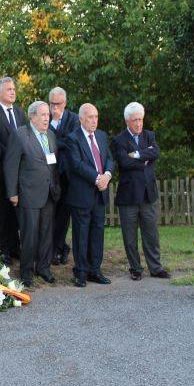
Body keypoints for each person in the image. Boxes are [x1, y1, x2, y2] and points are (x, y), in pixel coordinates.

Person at [3, 101, 61, 287]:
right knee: (29, 235)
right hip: (28, 194)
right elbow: (10, 165)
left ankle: (43, 268)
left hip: (49, 193)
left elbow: (52, 165)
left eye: (48, 115)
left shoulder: (51, 135)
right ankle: (26, 272)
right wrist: (12, 192)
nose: (47, 118)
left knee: (46, 234)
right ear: (32, 116)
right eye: (43, 115)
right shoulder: (20, 135)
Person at [111, 102, 169, 280]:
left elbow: (155, 153)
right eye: (135, 120)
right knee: (130, 236)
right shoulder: (119, 140)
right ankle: (135, 268)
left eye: (141, 119)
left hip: (148, 194)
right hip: (128, 195)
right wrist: (144, 157)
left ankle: (156, 267)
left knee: (151, 233)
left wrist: (135, 154)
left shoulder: (150, 135)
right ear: (127, 121)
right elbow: (124, 162)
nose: (138, 123)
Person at [64, 103, 114, 287]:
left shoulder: (101, 136)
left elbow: (109, 158)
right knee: (81, 233)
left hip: (100, 194)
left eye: (96, 117)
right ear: (81, 119)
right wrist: (97, 178)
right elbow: (76, 164)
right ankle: (81, 271)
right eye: (90, 117)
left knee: (97, 232)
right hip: (82, 194)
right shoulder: (73, 138)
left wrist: (107, 176)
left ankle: (95, 270)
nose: (94, 121)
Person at [0, 76, 27, 265]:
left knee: (16, 211)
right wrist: (12, 156)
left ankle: (14, 246)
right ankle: (3, 249)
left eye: (13, 89)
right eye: (9, 89)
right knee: (3, 212)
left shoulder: (20, 113)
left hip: (20, 172)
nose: (13, 91)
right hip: (2, 172)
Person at [47, 86, 80, 265]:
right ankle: (57, 248)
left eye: (58, 104)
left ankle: (58, 249)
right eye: (52, 104)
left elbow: (71, 142)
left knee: (63, 215)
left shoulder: (74, 119)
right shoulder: (44, 117)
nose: (54, 108)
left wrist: (54, 128)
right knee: (51, 214)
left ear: (65, 103)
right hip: (49, 173)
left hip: (66, 175)